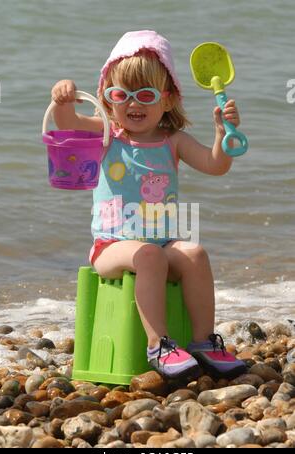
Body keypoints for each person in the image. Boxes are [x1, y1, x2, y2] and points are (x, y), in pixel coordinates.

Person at [51, 30, 246, 380]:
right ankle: (159, 344)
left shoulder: (173, 141)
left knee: (195, 254)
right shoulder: (106, 133)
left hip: (160, 244)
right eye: (121, 95)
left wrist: (222, 135)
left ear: (168, 100)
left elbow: (215, 165)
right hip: (111, 247)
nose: (133, 104)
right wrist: (64, 98)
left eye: (145, 94)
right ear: (107, 99)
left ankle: (203, 343)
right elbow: (66, 123)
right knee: (148, 255)